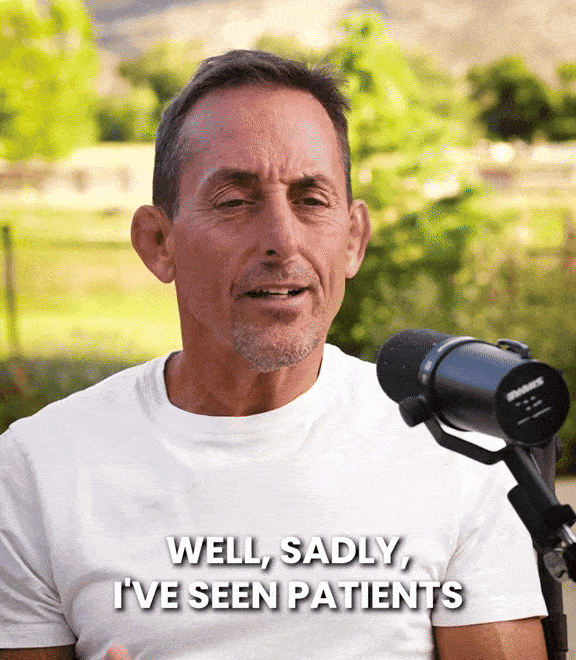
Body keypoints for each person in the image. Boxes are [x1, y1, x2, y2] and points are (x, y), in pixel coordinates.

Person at [0, 50, 548, 660]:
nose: (282, 241)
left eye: (311, 200)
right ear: (158, 242)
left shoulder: (456, 454)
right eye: (235, 201)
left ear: (353, 239)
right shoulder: (39, 469)